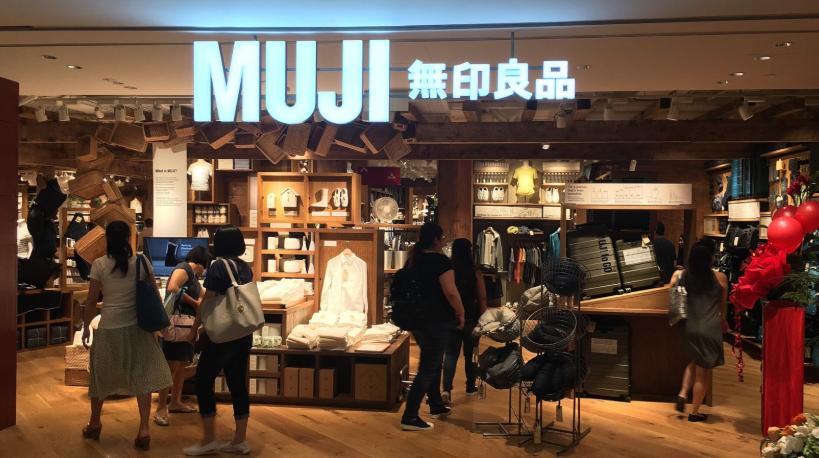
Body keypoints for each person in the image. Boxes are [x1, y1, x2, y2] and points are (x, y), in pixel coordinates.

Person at [81, 221, 172, 451]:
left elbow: (91, 301)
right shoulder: (141, 261)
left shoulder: (99, 264)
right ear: (129, 238)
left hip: (109, 327)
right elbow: (154, 294)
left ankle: (95, 423)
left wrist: (86, 327)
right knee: (142, 377)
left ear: (107, 240)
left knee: (100, 376)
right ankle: (144, 429)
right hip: (138, 327)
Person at [184, 225, 254, 456]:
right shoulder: (245, 267)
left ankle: (209, 439)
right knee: (237, 385)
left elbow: (207, 301)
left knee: (203, 381)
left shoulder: (218, 266)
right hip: (243, 333)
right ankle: (240, 440)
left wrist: (195, 328)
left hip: (223, 335)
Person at [400, 223, 466, 432]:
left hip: (416, 321)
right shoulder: (440, 261)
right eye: (442, 237)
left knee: (433, 364)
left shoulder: (414, 259)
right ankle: (410, 416)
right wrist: (461, 313)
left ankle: (436, 405)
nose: (444, 240)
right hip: (435, 321)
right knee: (428, 368)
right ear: (436, 240)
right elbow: (451, 292)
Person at [670, 238, 729, 422]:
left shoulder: (679, 276)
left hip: (687, 328)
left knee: (696, 360)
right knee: (704, 372)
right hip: (709, 328)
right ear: (711, 257)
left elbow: (671, 292)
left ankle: (682, 393)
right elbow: (723, 307)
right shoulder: (720, 278)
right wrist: (723, 323)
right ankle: (694, 412)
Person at [154, 246, 213, 426]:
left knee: (180, 365)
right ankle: (161, 408)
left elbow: (205, 295)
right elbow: (173, 288)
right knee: (171, 365)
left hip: (185, 327)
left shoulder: (192, 276)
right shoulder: (184, 268)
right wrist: (195, 303)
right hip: (177, 325)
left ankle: (175, 402)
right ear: (203, 263)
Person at [442, 238, 487, 404]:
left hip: (452, 315)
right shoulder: (475, 272)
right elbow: (482, 297)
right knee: (472, 352)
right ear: (469, 251)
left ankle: (446, 389)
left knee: (450, 353)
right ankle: (470, 385)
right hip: (471, 317)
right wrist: (483, 319)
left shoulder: (448, 270)